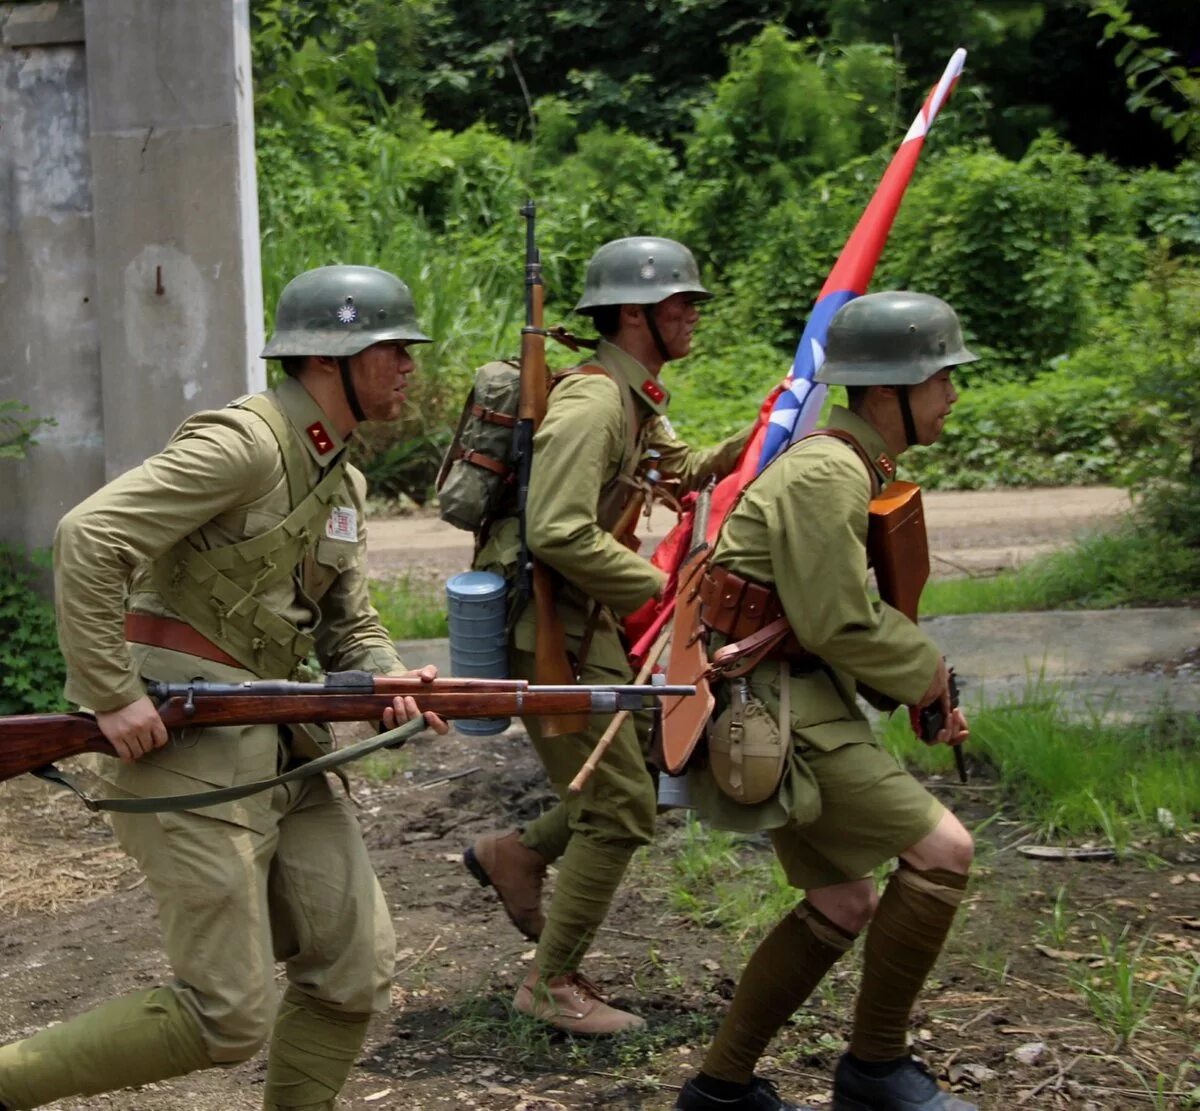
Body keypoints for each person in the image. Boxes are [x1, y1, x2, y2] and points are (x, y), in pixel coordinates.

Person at [0, 265, 449, 1111]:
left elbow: (349, 622)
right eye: (391, 349)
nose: (407, 365)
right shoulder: (243, 444)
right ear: (329, 361)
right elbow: (88, 536)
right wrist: (111, 691)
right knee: (226, 1017)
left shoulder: (341, 481)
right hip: (187, 744)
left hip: (282, 747)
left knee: (353, 972)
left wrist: (389, 677)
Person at [674, 291, 979, 1111]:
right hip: (772, 703)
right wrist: (928, 674)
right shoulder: (827, 470)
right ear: (890, 391)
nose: (953, 394)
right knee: (944, 851)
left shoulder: (848, 466)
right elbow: (836, 616)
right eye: (942, 377)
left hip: (794, 690)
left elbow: (831, 621)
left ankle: (720, 1090)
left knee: (843, 899)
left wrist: (914, 683)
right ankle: (876, 1070)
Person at [467, 237, 753, 1035]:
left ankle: (516, 853)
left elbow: (680, 469)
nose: (693, 314)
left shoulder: (635, 398)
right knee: (623, 806)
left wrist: (763, 430)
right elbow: (556, 529)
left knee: (624, 782)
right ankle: (548, 982)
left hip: (583, 623)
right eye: (680, 303)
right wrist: (667, 593)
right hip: (549, 626)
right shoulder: (595, 403)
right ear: (634, 313)